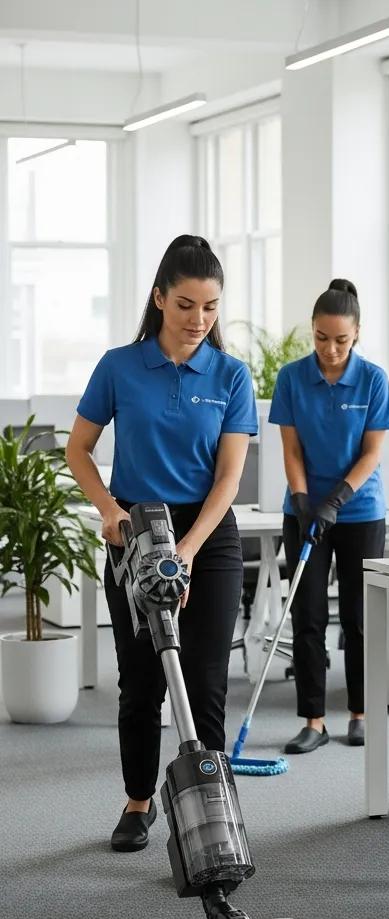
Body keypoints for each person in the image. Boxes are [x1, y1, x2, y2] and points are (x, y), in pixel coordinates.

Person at [66, 235, 258, 853]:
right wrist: (109, 510)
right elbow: (78, 449)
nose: (199, 319)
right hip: (136, 529)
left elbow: (228, 479)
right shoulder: (119, 366)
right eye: (185, 305)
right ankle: (139, 801)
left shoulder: (231, 375)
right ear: (158, 298)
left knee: (204, 680)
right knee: (141, 680)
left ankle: (213, 810)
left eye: (210, 307)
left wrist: (189, 550)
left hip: (206, 534)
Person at [269, 279, 389, 752]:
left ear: (357, 332)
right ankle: (314, 722)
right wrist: (302, 501)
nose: (331, 348)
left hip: (358, 511)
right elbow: (291, 449)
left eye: (341, 339)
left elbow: (372, 452)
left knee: (358, 619)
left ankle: (359, 714)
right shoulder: (292, 378)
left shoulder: (374, 380)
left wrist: (336, 499)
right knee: (308, 616)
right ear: (312, 330)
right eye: (322, 337)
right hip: (304, 511)